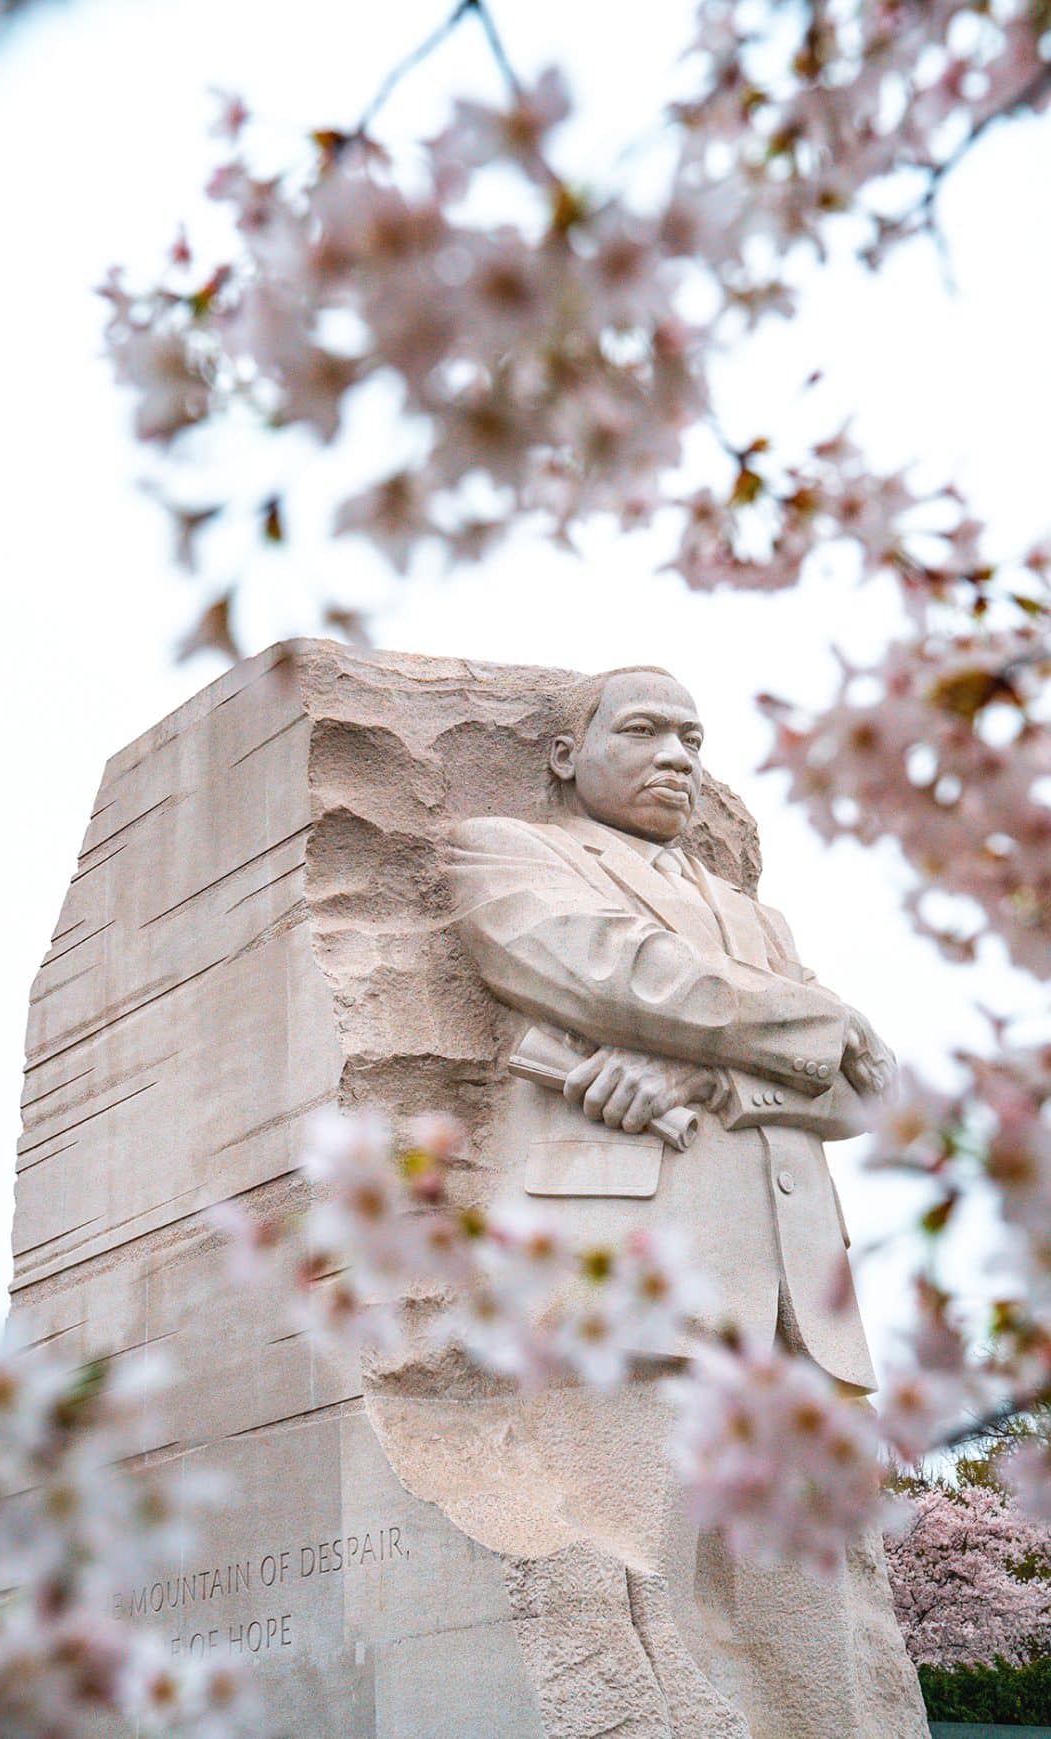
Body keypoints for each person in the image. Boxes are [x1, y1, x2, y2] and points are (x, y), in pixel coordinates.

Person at [431, 665, 928, 1738]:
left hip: (796, 1294)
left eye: (691, 739)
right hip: (632, 1261)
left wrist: (711, 1074)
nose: (675, 757)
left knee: (818, 1617)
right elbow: (607, 968)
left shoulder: (757, 920)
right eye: (644, 730)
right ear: (565, 753)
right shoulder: (508, 850)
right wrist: (806, 1026)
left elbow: (862, 1089)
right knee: (638, 1580)